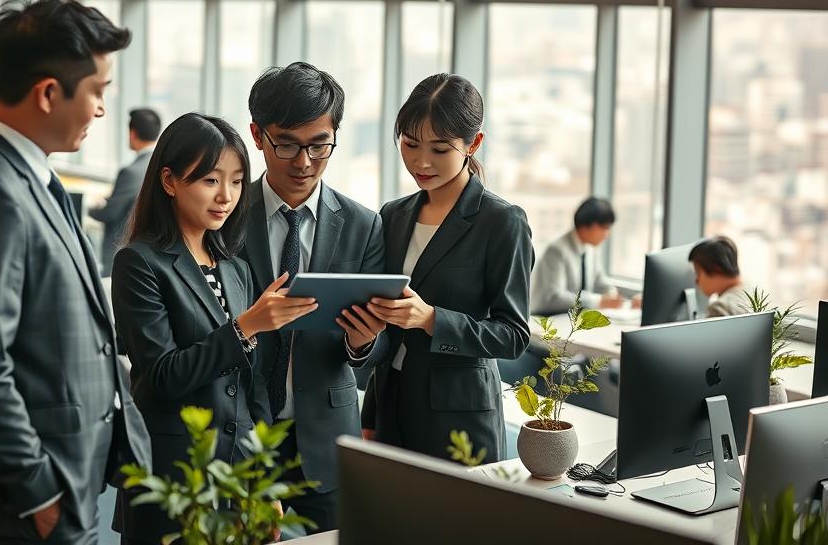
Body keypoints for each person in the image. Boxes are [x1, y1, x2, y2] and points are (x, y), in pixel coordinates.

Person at [0, 0, 151, 545]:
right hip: (33, 494)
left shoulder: (19, 173)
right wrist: (38, 491)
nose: (100, 109)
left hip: (67, 471)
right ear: (48, 93)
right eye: (97, 91)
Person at [110, 112, 317, 545]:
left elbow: (254, 389)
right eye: (210, 180)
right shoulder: (139, 263)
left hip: (236, 479)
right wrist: (246, 327)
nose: (226, 196)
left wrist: (264, 482)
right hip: (174, 474)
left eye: (238, 181)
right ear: (170, 181)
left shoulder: (235, 268)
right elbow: (162, 376)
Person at [239, 62, 386, 532]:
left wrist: (362, 342)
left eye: (320, 144)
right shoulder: (226, 217)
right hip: (243, 430)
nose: (303, 162)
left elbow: (373, 349)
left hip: (326, 439)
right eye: (286, 144)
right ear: (257, 135)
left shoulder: (364, 224)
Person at [363, 73, 532, 463]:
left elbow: (513, 335)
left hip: (459, 417)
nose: (421, 162)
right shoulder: (393, 216)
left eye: (440, 149)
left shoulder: (501, 221)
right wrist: (370, 411)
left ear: (473, 144)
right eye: (410, 145)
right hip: (391, 406)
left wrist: (432, 320)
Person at [89, 107, 161, 275]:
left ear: (132, 133)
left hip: (122, 253)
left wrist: (89, 208)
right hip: (149, 253)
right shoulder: (161, 167)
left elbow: (110, 214)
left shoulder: (131, 171)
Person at [529, 197, 622, 316]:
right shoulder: (556, 250)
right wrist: (598, 300)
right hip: (549, 319)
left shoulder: (590, 249)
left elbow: (600, 281)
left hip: (574, 318)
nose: (607, 235)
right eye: (604, 228)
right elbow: (555, 296)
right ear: (586, 226)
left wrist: (611, 293)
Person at [689, 236, 750, 317]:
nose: (696, 281)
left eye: (698, 273)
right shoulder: (752, 291)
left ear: (715, 268)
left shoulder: (720, 309)